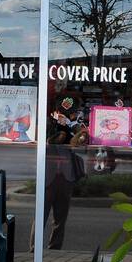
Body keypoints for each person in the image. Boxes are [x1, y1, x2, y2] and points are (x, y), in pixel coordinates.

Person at [42, 98, 87, 250]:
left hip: (66, 177)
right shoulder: (48, 123)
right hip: (48, 176)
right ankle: (33, 252)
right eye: (63, 113)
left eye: (71, 114)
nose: (67, 117)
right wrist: (56, 125)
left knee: (60, 219)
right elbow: (49, 140)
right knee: (41, 216)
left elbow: (82, 141)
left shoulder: (74, 126)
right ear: (56, 112)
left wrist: (71, 126)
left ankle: (54, 250)